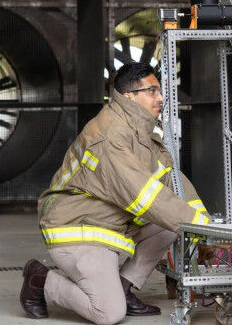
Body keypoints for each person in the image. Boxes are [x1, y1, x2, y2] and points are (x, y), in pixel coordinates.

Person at [19, 62, 210, 323]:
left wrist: (207, 230)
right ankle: (41, 278)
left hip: (109, 223)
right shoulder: (110, 136)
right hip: (80, 228)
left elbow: (173, 184)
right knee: (109, 313)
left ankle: (123, 286)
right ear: (129, 96)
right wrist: (203, 231)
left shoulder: (141, 133)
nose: (161, 97)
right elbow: (145, 196)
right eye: (152, 91)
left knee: (171, 226)